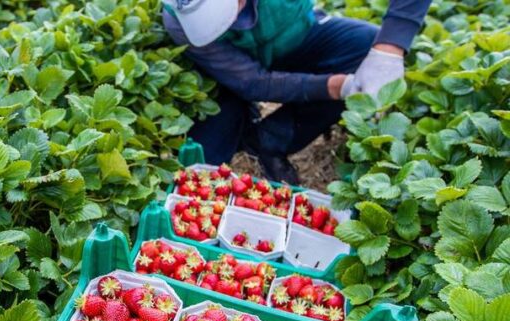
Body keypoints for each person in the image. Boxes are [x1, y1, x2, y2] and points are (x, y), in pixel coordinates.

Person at [163, 0, 431, 183]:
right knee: (203, 161)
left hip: (298, 37)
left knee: (366, 47)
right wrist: (337, 86)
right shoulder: (178, 21)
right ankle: (240, 114)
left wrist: (390, 48)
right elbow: (251, 81)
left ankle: (268, 140)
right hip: (229, 74)